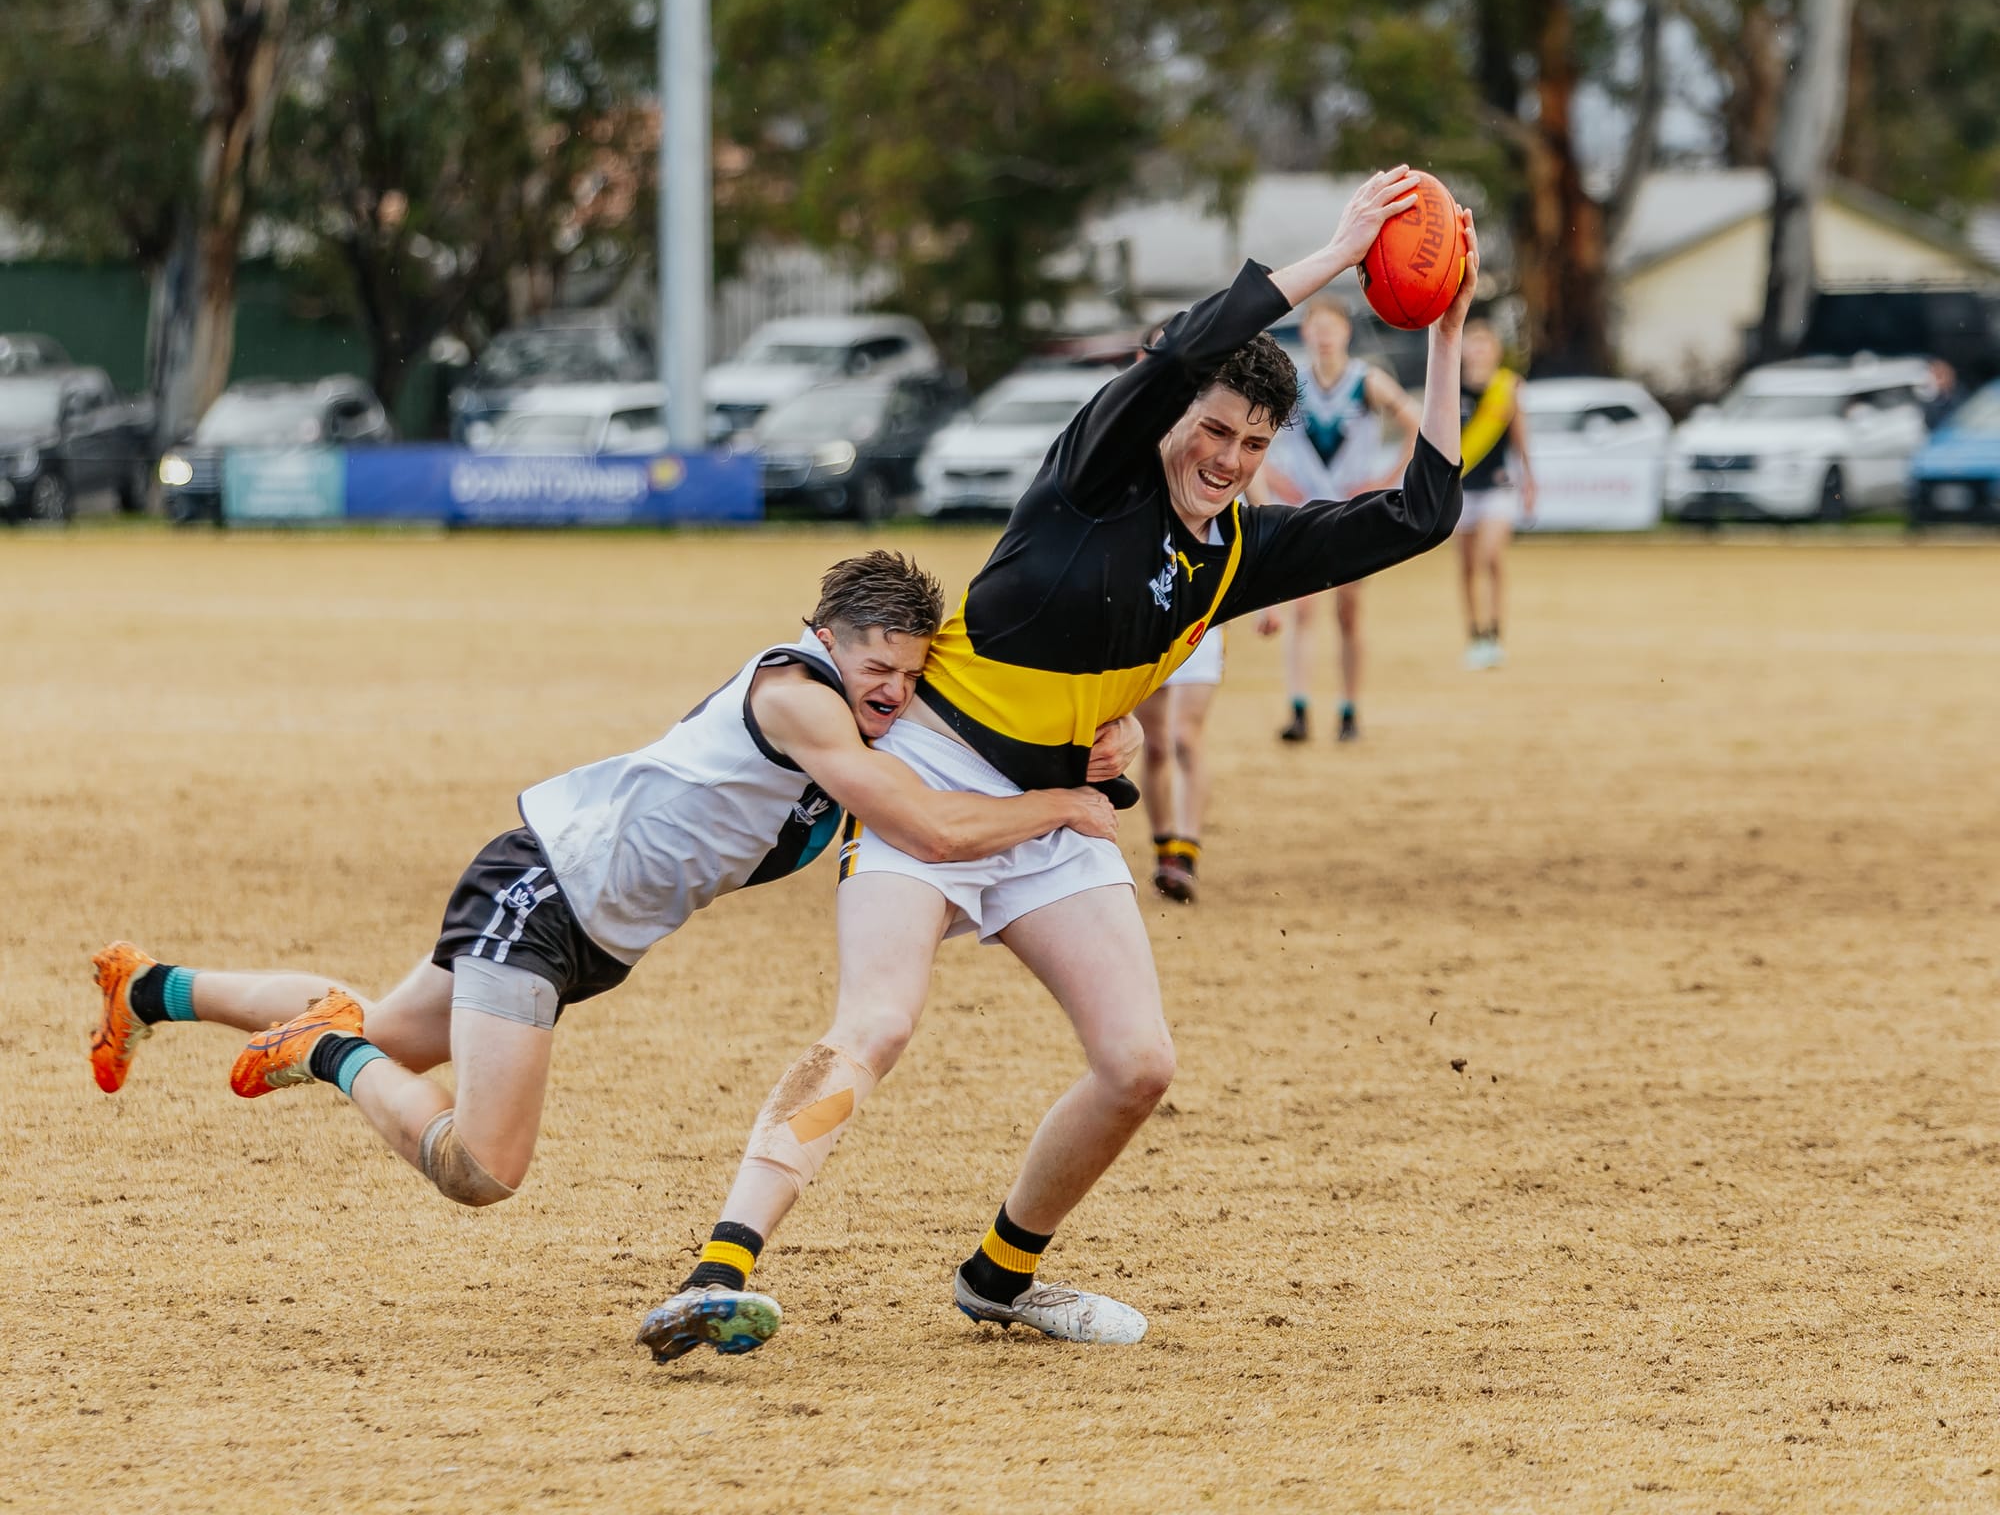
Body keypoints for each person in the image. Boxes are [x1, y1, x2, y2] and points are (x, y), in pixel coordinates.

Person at [640, 168, 1474, 1362]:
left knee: (1138, 1064)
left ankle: (999, 1276)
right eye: (1209, 429)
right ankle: (716, 1268)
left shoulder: (1244, 553)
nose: (1225, 457)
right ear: (1172, 419)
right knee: (874, 1024)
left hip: (1058, 815)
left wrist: (1442, 331)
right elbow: (1188, 342)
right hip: (931, 776)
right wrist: (1334, 256)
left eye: (1249, 441)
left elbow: (1421, 511)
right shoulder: (1094, 475)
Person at [85, 551, 1127, 1355]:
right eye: (876, 665)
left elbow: (968, 750)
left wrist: (1086, 741)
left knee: (395, 1027)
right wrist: (1067, 804)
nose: (892, 690)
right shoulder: (801, 696)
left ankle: (148, 986)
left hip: (582, 929)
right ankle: (324, 1053)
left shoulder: (861, 716)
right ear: (823, 636)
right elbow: (933, 829)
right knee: (481, 1166)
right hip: (543, 897)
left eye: (907, 672)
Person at [1263, 297, 1421, 743]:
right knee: (1303, 609)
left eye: (1332, 326)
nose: (1325, 335)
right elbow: (1250, 431)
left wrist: (1386, 480)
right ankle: (1298, 709)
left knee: (1349, 614)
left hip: (1351, 513)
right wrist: (1274, 477)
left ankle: (1349, 709)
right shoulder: (1290, 384)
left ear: (1346, 333)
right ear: (1307, 333)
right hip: (1304, 512)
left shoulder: (1366, 381)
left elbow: (1418, 423)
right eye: (1317, 327)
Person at [1454, 319, 1535, 669]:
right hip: (1459, 488)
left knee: (1491, 557)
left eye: (1484, 343)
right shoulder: (1450, 386)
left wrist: (1530, 479)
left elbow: (1520, 437)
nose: (1478, 350)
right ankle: (1475, 634)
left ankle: (1495, 630)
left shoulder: (1508, 386)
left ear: (1496, 351)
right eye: (1472, 343)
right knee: (1467, 566)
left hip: (1497, 487)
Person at [1135, 621, 1222, 902]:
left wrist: (1266, 607)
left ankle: (1186, 856)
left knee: (1184, 738)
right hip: (1148, 623)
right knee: (1155, 747)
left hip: (1203, 625)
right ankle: (1164, 848)